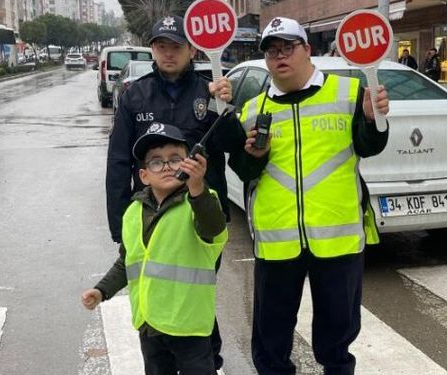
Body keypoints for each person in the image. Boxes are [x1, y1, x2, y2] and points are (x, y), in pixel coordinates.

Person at [224, 17, 390, 374]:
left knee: (337, 337)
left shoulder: (347, 94)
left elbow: (369, 145)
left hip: (337, 238)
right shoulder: (253, 109)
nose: (279, 56)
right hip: (276, 239)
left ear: (307, 50)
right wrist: (252, 156)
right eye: (271, 51)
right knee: (271, 338)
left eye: (287, 47)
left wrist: (372, 119)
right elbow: (243, 170)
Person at [106, 15, 242, 371]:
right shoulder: (135, 94)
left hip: (201, 216)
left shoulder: (208, 88)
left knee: (197, 293)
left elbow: (233, 145)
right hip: (155, 216)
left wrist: (222, 107)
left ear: (192, 49)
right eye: (161, 45)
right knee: (157, 288)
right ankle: (162, 358)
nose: (168, 53)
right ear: (152, 49)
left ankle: (207, 360)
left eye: (176, 46)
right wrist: (121, 227)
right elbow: (119, 162)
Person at [82, 123, 228, 375]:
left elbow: (213, 227)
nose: (167, 166)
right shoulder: (133, 213)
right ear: (144, 175)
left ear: (189, 163)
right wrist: (102, 290)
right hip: (149, 324)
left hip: (188, 326)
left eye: (175, 159)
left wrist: (197, 188)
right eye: (156, 162)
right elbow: (127, 261)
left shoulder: (201, 201)